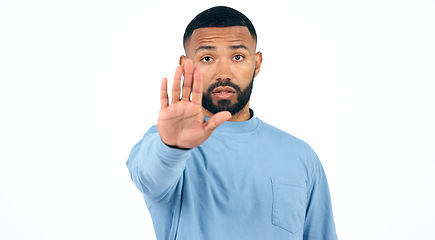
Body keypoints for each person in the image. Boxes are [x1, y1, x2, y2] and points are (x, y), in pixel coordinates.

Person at [127, 6, 337, 240]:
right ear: (187, 65)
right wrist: (172, 149)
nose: (223, 73)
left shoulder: (301, 155)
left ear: (257, 63)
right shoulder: (165, 142)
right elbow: (149, 178)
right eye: (207, 58)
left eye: (238, 57)